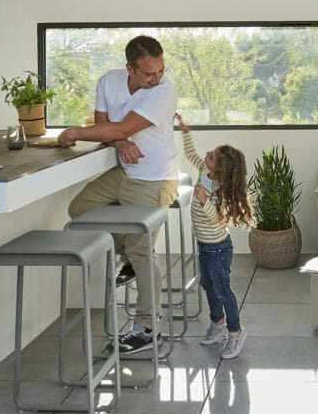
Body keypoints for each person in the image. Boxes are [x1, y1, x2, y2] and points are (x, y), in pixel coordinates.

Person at [58, 35, 179, 354]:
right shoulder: (108, 82)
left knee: (142, 249)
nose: (157, 78)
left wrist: (75, 133)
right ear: (129, 68)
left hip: (154, 178)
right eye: (149, 74)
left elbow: (120, 127)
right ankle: (126, 256)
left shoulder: (164, 92)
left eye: (161, 70)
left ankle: (148, 327)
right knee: (80, 208)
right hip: (125, 171)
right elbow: (107, 126)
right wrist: (119, 142)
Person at [176, 113, 254, 359]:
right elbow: (190, 154)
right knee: (207, 285)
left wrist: (202, 200)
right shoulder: (203, 172)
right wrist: (185, 131)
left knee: (222, 290)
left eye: (211, 156)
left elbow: (217, 218)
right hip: (205, 245)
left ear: (219, 169)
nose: (207, 154)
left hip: (219, 248)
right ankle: (218, 322)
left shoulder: (220, 190)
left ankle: (236, 330)